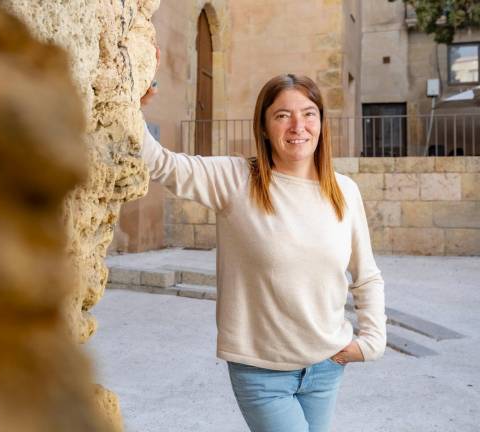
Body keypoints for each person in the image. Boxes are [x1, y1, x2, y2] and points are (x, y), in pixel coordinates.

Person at [140, 66, 386, 432]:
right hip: (261, 374)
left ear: (321, 123)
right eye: (282, 116)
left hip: (326, 366)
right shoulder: (235, 180)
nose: (297, 127)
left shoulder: (344, 191)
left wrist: (371, 342)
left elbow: (366, 275)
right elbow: (162, 165)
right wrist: (134, 107)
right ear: (264, 128)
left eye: (308, 114)